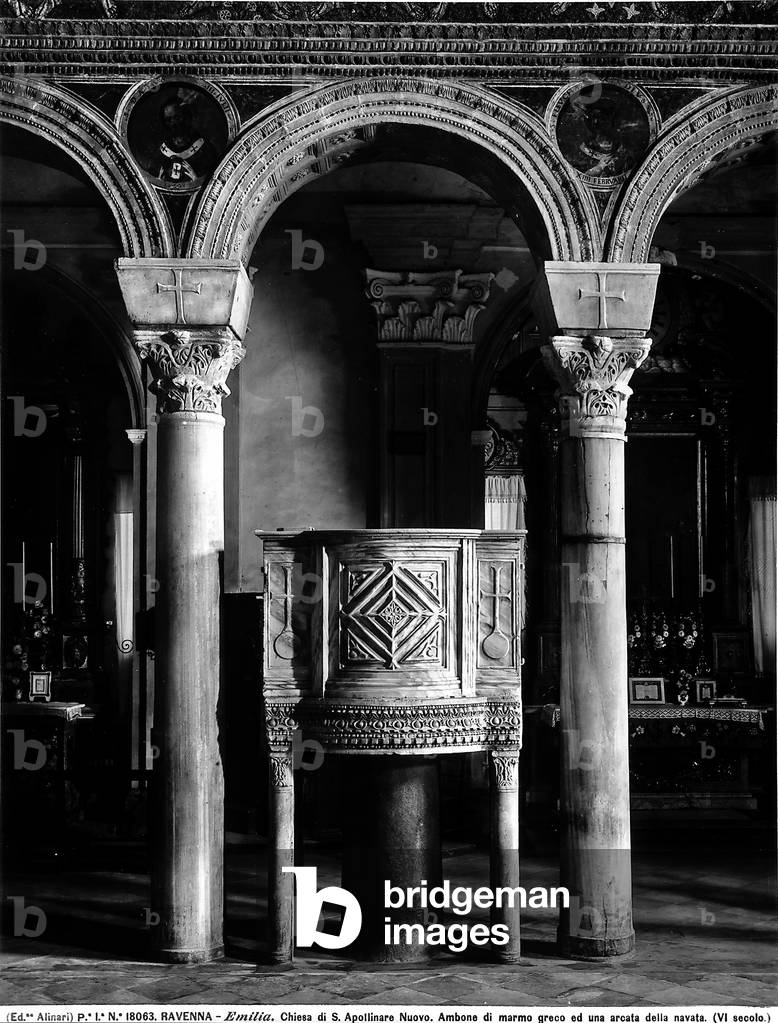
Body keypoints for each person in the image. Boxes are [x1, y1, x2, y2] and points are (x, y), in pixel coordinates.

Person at [156, 95, 216, 186]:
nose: (173, 123)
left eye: (177, 117)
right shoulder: (161, 152)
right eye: (168, 120)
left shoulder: (205, 149)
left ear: (186, 116)